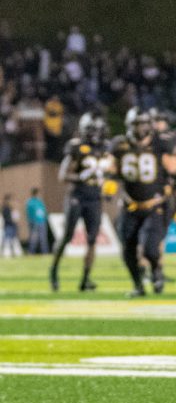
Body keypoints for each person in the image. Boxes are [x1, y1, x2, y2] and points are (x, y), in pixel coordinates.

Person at [108, 109, 176, 297]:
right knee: (128, 250)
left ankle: (156, 270)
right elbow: (110, 166)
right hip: (129, 205)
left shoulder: (160, 143)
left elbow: (175, 169)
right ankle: (138, 285)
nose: (139, 129)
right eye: (135, 125)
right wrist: (108, 179)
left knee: (150, 248)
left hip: (154, 205)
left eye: (142, 125)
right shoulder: (119, 144)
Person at [49, 112, 111, 290]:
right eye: (93, 130)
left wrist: (108, 185)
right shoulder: (76, 147)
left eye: (98, 130)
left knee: (92, 240)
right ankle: (54, 270)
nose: (96, 134)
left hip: (95, 199)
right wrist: (81, 176)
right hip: (77, 197)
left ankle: (85, 279)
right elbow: (63, 175)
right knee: (67, 236)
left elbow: (110, 172)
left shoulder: (104, 149)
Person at [25, 187, 49, 254]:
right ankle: (31, 252)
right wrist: (31, 221)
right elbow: (29, 213)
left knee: (43, 238)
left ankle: (45, 252)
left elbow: (44, 211)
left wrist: (45, 219)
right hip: (34, 222)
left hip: (41, 221)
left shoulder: (40, 201)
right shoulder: (30, 202)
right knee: (33, 238)